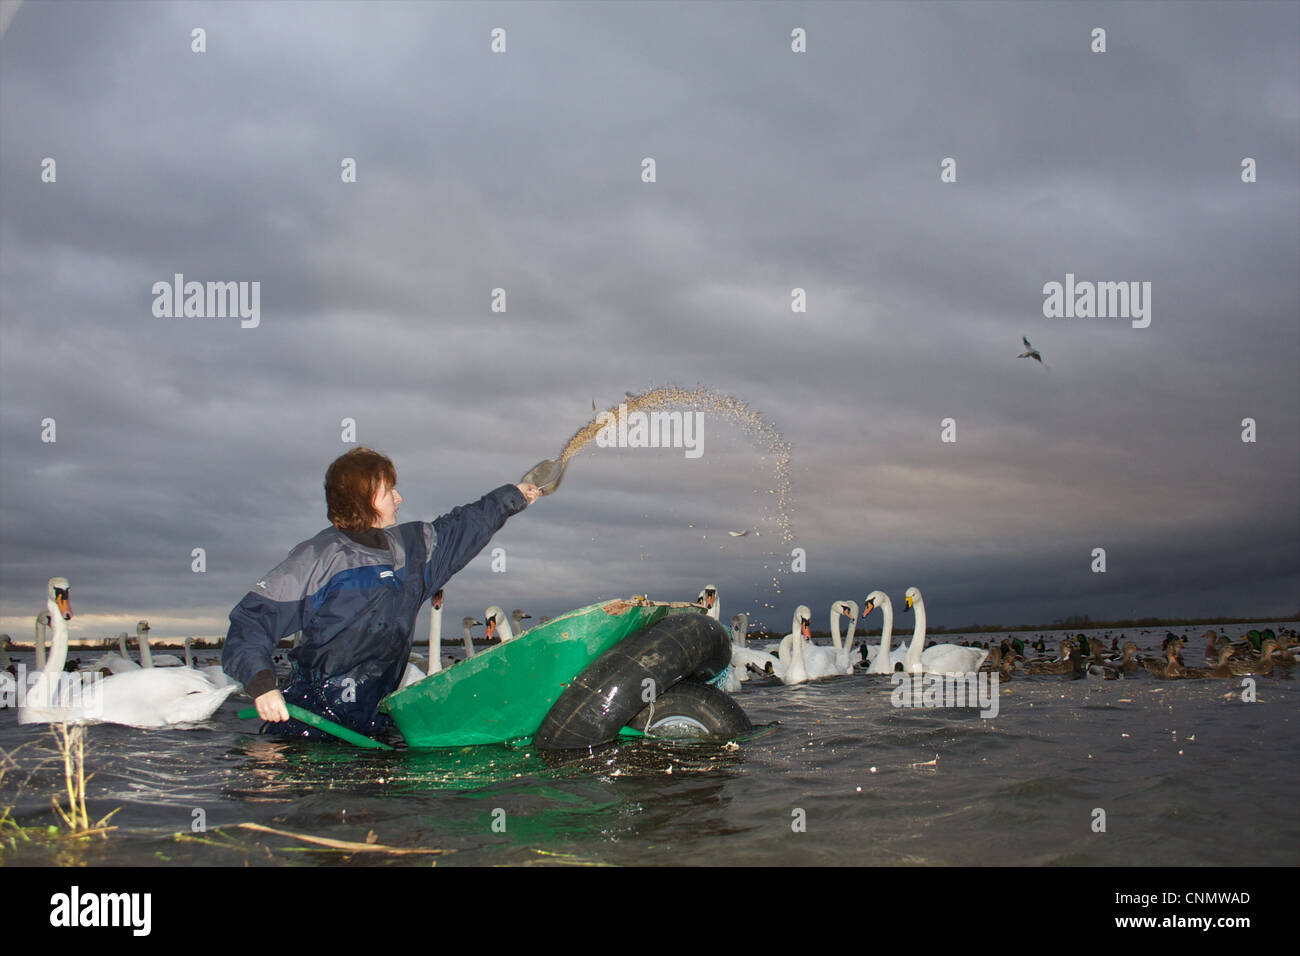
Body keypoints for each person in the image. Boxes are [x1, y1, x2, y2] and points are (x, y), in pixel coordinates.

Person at [222, 447, 541, 739]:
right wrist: (263, 686)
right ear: (363, 499)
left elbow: (463, 526)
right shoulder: (318, 557)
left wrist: (513, 496)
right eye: (389, 491)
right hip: (310, 722)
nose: (399, 498)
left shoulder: (413, 548)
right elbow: (251, 621)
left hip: (372, 722)